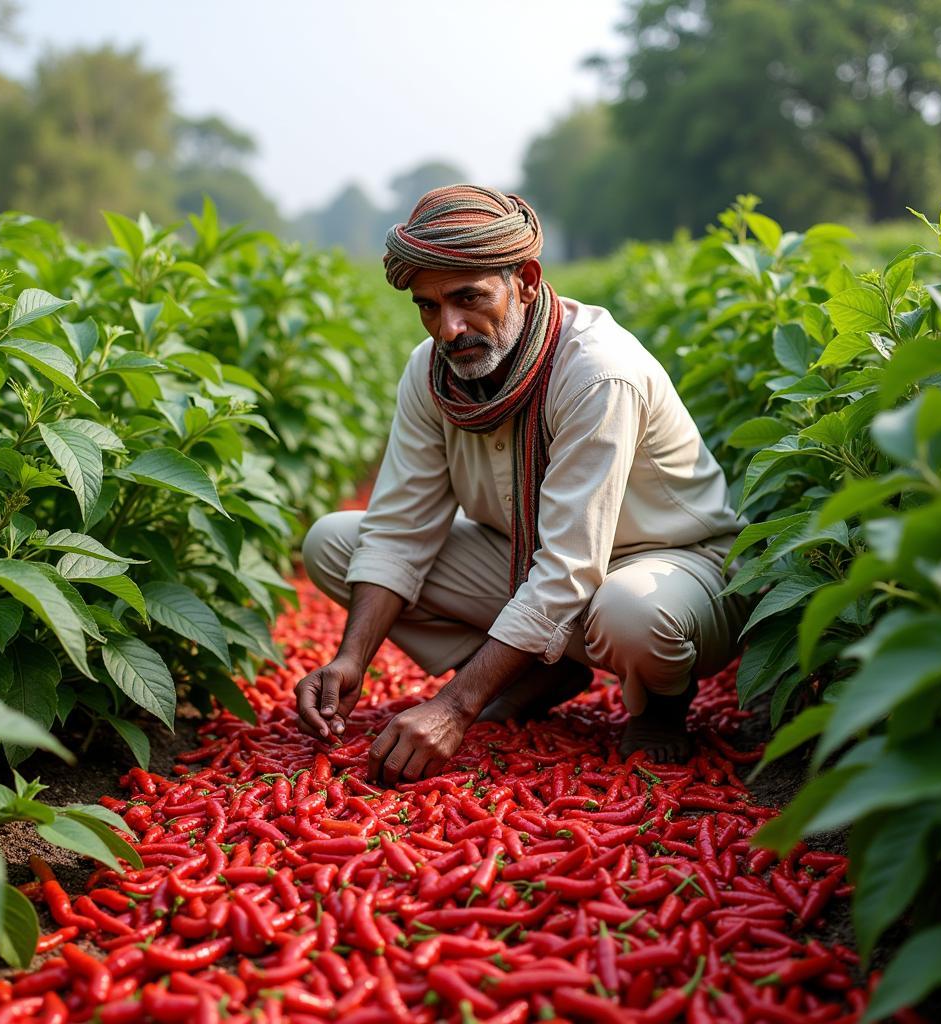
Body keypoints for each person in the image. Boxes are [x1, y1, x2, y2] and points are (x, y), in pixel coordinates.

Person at [297, 184, 749, 787]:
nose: (449, 328)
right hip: (527, 561)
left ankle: (663, 701)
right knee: (336, 542)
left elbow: (569, 566)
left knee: (631, 613)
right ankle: (541, 673)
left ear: (527, 280)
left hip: (673, 568)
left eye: (467, 297)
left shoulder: (596, 373)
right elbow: (400, 529)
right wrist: (351, 659)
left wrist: (457, 706)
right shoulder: (432, 372)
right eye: (428, 307)